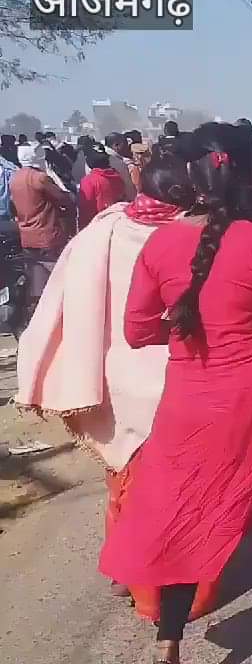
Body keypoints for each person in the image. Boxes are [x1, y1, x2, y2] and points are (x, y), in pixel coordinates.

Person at [99, 122, 252, 664]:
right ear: (241, 178)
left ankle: (169, 640)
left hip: (187, 402)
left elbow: (136, 331)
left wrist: (183, 328)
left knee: (180, 512)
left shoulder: (158, 246)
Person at [16, 153, 188, 601]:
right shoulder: (191, 235)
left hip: (113, 376)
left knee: (123, 479)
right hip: (174, 377)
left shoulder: (102, 230)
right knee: (171, 486)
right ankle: (159, 581)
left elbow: (61, 302)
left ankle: (125, 568)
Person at [11, 145, 74, 320]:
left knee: (35, 285)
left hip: (27, 236)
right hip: (47, 234)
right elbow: (63, 199)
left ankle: (35, 321)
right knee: (57, 280)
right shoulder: (39, 178)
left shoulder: (15, 178)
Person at [77, 145, 127, 229]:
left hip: (97, 226)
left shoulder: (89, 181)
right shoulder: (117, 177)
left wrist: (83, 230)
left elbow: (86, 209)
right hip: (116, 223)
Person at [105, 132, 139, 201]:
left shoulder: (102, 155)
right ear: (115, 145)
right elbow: (128, 184)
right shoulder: (117, 161)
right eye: (122, 144)